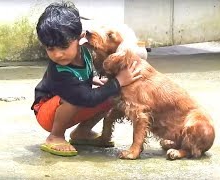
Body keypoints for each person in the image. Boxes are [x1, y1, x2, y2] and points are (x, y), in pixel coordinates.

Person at [31, 1, 142, 156]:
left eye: (63, 47)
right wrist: (119, 81)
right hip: (46, 112)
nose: (57, 54)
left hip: (70, 101)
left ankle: (82, 132)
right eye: (50, 48)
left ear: (80, 38)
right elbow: (85, 98)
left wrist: (95, 80)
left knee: (111, 96)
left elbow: (85, 76)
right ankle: (55, 136)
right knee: (79, 97)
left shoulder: (86, 51)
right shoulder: (59, 71)